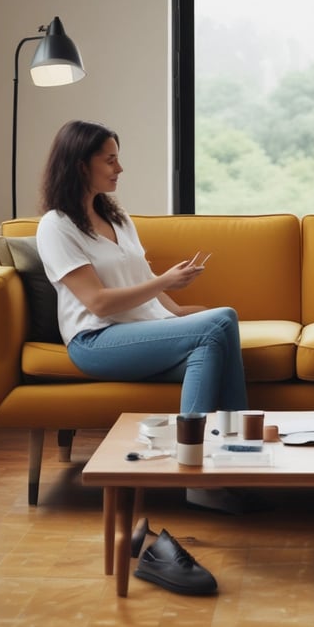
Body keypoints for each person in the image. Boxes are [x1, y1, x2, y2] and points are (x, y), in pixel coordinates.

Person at [35, 119, 249, 594]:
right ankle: (196, 473)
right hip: (97, 341)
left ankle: (229, 461)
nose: (120, 167)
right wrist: (166, 285)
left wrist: (188, 310)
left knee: (219, 327)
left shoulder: (117, 216)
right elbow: (98, 303)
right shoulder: (56, 226)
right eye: (109, 159)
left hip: (143, 332)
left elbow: (154, 298)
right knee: (220, 322)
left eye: (117, 156)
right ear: (79, 164)